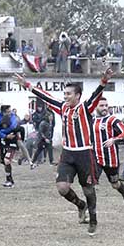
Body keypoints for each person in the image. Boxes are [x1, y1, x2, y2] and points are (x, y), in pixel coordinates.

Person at [14, 67, 113, 236]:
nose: (65, 96)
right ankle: (80, 205)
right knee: (62, 187)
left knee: (88, 189)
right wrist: (27, 85)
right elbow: (44, 95)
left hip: (84, 153)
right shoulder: (62, 107)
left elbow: (96, 94)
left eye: (68, 94)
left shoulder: (86, 107)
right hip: (67, 154)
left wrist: (104, 80)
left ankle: (93, 218)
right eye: (64, 93)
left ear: (77, 96)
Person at [92, 98, 124, 209]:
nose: (105, 108)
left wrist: (114, 140)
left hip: (111, 159)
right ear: (95, 107)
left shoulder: (113, 120)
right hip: (95, 158)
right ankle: (90, 209)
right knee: (91, 183)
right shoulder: (91, 120)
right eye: (101, 105)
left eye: (106, 105)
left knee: (115, 184)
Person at [0, 105, 20, 188]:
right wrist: (5, 135)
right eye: (8, 111)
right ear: (3, 112)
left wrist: (4, 133)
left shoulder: (12, 117)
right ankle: (9, 180)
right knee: (4, 161)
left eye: (10, 111)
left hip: (12, 142)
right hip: (4, 141)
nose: (10, 113)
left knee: (7, 160)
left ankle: (29, 160)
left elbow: (13, 126)